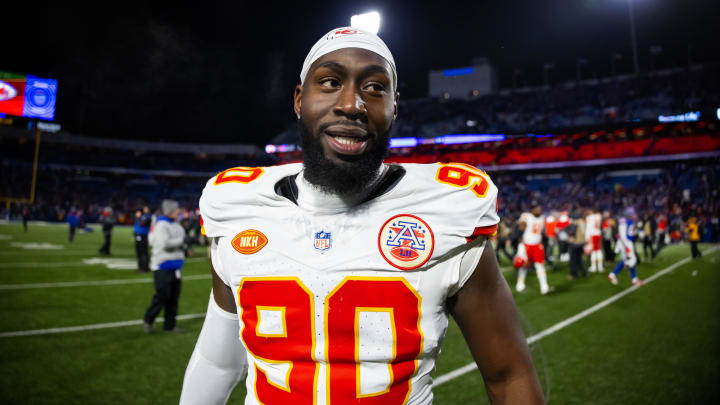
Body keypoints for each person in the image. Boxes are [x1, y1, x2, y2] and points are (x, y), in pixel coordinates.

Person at [180, 27, 543, 405]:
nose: (352, 104)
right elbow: (217, 364)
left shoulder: (446, 213)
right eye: (331, 82)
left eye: (374, 88)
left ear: (395, 106)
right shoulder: (239, 208)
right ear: (300, 100)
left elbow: (508, 376)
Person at [143, 199, 186, 334]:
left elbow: (181, 241)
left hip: (175, 266)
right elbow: (164, 243)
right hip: (162, 265)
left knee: (174, 297)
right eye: (175, 209)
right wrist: (182, 241)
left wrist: (186, 244)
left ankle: (170, 325)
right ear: (169, 211)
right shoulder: (162, 225)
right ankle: (148, 320)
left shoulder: (176, 224)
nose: (178, 211)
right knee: (162, 295)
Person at [513, 201, 552, 294]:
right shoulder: (526, 216)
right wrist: (519, 241)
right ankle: (520, 284)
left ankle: (544, 287)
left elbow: (542, 232)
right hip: (526, 245)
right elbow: (520, 228)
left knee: (540, 266)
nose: (539, 210)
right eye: (537, 208)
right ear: (532, 210)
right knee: (523, 266)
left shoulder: (542, 218)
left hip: (537, 246)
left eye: (539, 208)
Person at [608, 208, 644, 287]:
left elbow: (629, 232)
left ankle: (613, 275)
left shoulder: (630, 221)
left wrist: (637, 231)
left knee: (627, 261)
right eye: (633, 214)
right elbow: (623, 236)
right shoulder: (624, 221)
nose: (635, 215)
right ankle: (634, 279)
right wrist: (626, 247)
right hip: (626, 244)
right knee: (632, 260)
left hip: (626, 243)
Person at [568, 209, 587, 279]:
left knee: (572, 260)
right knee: (579, 259)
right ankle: (584, 272)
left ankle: (573, 274)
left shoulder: (575, 222)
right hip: (581, 242)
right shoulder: (582, 221)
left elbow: (572, 233)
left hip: (575, 243)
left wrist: (567, 232)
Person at [585, 207, 603, 272]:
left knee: (593, 251)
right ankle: (600, 267)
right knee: (599, 251)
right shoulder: (599, 216)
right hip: (598, 234)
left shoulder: (589, 218)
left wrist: (586, 238)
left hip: (592, 235)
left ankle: (594, 267)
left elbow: (588, 228)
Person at [134, 206, 152, 272]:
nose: (144, 209)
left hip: (142, 236)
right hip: (140, 235)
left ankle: (143, 268)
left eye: (146, 208)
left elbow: (142, 224)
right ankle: (144, 267)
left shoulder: (147, 216)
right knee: (142, 251)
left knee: (141, 251)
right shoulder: (144, 216)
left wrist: (138, 217)